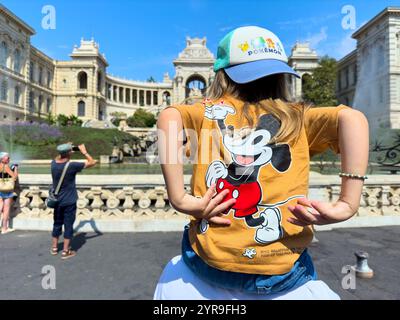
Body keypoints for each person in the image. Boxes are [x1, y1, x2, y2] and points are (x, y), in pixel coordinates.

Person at [154, 26, 369, 300]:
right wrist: (348, 203)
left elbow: (168, 117)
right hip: (283, 272)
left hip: (208, 264)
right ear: (281, 75)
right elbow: (353, 119)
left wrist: (180, 198)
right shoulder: (297, 117)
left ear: (221, 74)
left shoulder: (207, 112)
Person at [50, 143, 97, 259]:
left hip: (56, 201)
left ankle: (54, 248)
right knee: (68, 225)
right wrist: (84, 152)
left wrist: (65, 147)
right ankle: (66, 251)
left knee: (57, 223)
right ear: (70, 153)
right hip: (69, 200)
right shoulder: (72, 165)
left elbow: (58, 156)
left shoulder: (53, 164)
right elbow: (93, 162)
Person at [0, 152, 18, 234]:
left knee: (0, 208)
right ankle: (4, 228)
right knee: (6, 209)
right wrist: (16, 168)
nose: (9, 158)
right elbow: (14, 177)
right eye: (7, 157)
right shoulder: (6, 167)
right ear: (3, 158)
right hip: (7, 190)